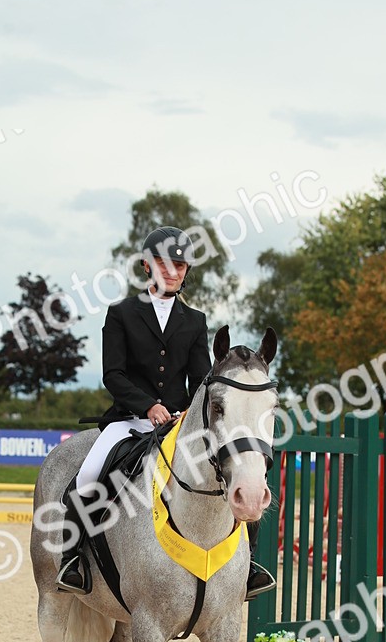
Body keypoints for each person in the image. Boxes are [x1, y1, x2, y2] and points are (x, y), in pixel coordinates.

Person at [56, 225, 276, 600]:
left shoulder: (194, 321)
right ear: (146, 266)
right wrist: (148, 405)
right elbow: (114, 374)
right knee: (88, 473)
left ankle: (249, 564)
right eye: (163, 264)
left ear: (186, 270)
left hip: (178, 422)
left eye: (179, 265)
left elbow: (199, 379)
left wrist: (187, 410)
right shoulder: (121, 313)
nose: (172, 271)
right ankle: (73, 558)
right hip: (129, 420)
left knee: (232, 471)